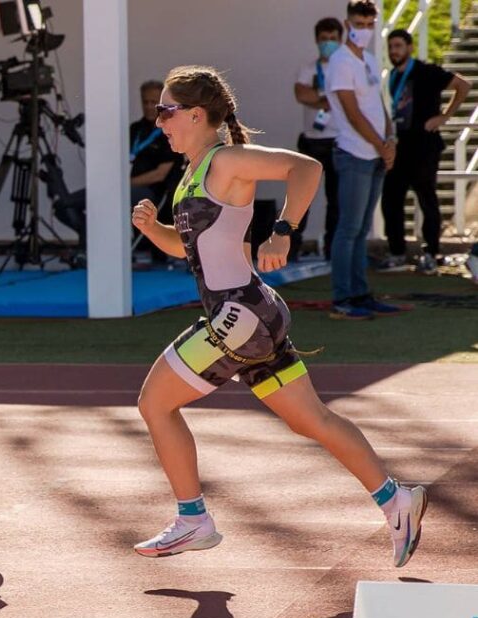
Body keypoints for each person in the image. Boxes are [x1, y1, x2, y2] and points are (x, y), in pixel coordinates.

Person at [129, 65, 426, 568]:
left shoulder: (226, 160)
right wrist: (154, 229)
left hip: (239, 315)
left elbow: (306, 168)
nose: (159, 122)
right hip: (252, 315)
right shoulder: (194, 172)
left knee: (155, 404)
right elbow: (191, 248)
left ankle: (193, 518)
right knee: (313, 420)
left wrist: (284, 231)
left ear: (196, 115)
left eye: (166, 111)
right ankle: (396, 499)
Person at [325, 0, 405, 320]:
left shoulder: (369, 60)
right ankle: (342, 298)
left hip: (374, 154)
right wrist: (381, 145)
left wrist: (390, 140)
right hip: (353, 154)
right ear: (348, 24)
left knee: (360, 231)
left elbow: (378, 105)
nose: (365, 30)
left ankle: (360, 293)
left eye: (370, 24)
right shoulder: (340, 61)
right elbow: (352, 112)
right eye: (359, 24)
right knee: (349, 229)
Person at [380, 29, 471, 274]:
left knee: (426, 198)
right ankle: (397, 252)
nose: (394, 51)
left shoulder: (426, 71)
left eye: (399, 46)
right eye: (391, 47)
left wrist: (444, 117)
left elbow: (463, 85)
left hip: (424, 146)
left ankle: (431, 252)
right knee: (391, 198)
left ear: (409, 47)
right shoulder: (394, 76)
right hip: (401, 146)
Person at [294, 17, 344, 261]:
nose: (328, 43)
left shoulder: (346, 69)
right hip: (311, 141)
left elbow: (349, 99)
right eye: (324, 39)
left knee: (336, 201)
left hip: (339, 141)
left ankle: (332, 251)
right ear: (317, 40)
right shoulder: (309, 68)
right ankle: (291, 248)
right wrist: (327, 99)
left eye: (333, 39)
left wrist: (319, 98)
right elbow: (301, 94)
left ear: (340, 40)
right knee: (300, 198)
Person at [131, 79, 184, 265]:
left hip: (157, 191)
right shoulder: (135, 129)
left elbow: (159, 174)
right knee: (68, 204)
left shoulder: (168, 130)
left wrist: (124, 185)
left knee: (128, 198)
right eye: (145, 102)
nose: (148, 106)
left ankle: (143, 249)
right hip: (129, 186)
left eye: (153, 102)